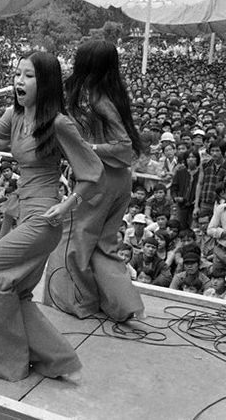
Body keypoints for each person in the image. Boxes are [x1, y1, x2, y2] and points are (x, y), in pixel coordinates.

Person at [0, 52, 103, 382]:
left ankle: (4, 358)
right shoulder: (14, 114)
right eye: (17, 74)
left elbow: (92, 171)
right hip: (20, 209)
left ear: (44, 83)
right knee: (16, 292)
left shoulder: (58, 123)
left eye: (27, 76)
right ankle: (58, 358)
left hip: (43, 217)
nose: (18, 81)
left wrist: (68, 205)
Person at [44, 40, 145, 322]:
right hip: (119, 182)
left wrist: (87, 148)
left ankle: (78, 303)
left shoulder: (97, 101)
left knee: (73, 241)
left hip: (97, 181)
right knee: (104, 245)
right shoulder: (112, 96)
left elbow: (123, 146)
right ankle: (123, 306)